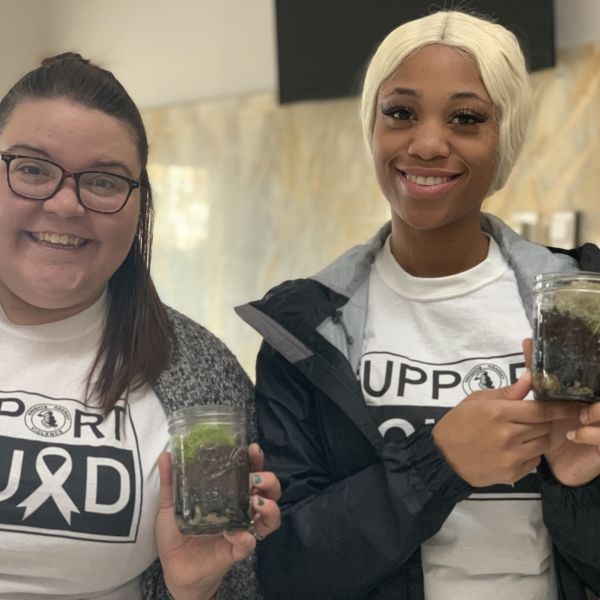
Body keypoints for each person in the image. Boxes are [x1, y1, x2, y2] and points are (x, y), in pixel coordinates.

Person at [236, 10, 600, 600]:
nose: (428, 144)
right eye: (401, 112)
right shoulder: (302, 328)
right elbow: (285, 570)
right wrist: (440, 464)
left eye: (466, 117)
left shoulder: (584, 304)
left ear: (502, 136)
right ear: (372, 128)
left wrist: (578, 484)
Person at [0, 53, 280, 600]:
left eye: (103, 181)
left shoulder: (202, 373)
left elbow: (239, 587)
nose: (63, 203)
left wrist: (196, 589)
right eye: (31, 169)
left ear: (139, 204)